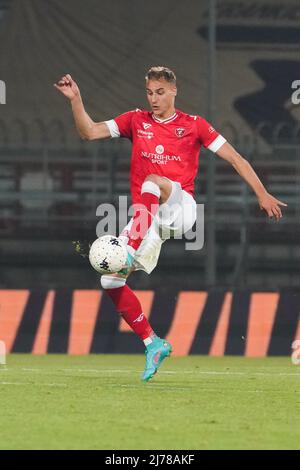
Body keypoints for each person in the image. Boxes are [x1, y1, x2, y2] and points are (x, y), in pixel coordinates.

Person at [55, 66, 287, 381]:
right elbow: (89, 132)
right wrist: (76, 99)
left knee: (152, 181)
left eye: (160, 92)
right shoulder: (135, 121)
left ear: (174, 91)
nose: (154, 99)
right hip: (148, 219)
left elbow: (236, 158)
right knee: (110, 280)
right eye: (150, 92)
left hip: (181, 209)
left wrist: (262, 194)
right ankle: (153, 343)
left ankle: (130, 246)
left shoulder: (194, 126)